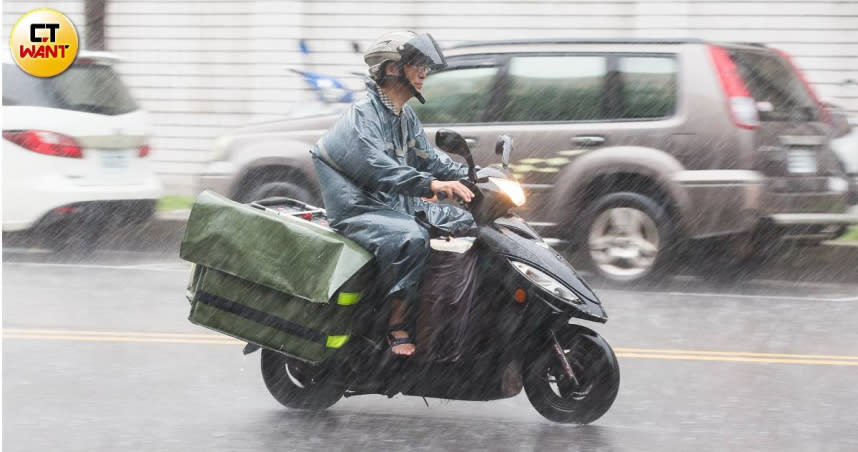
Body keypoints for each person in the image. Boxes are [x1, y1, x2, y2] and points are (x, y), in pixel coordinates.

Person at [310, 31, 475, 356]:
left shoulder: (404, 116)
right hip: (360, 211)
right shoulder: (362, 117)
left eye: (425, 66)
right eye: (417, 64)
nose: (424, 73)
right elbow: (378, 168)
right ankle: (395, 324)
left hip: (394, 204)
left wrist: (472, 175)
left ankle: (443, 313)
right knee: (412, 237)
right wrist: (432, 186)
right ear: (391, 69)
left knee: (464, 220)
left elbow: (428, 157)